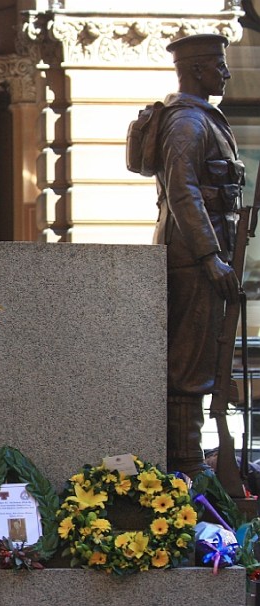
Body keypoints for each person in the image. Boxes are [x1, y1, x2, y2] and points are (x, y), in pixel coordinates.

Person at [154, 33, 243, 478]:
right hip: (192, 261)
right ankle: (187, 461)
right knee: (189, 359)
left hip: (202, 257)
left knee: (201, 354)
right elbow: (183, 191)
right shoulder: (188, 122)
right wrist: (210, 256)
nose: (225, 73)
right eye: (217, 65)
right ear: (195, 70)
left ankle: (190, 459)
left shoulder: (205, 119)